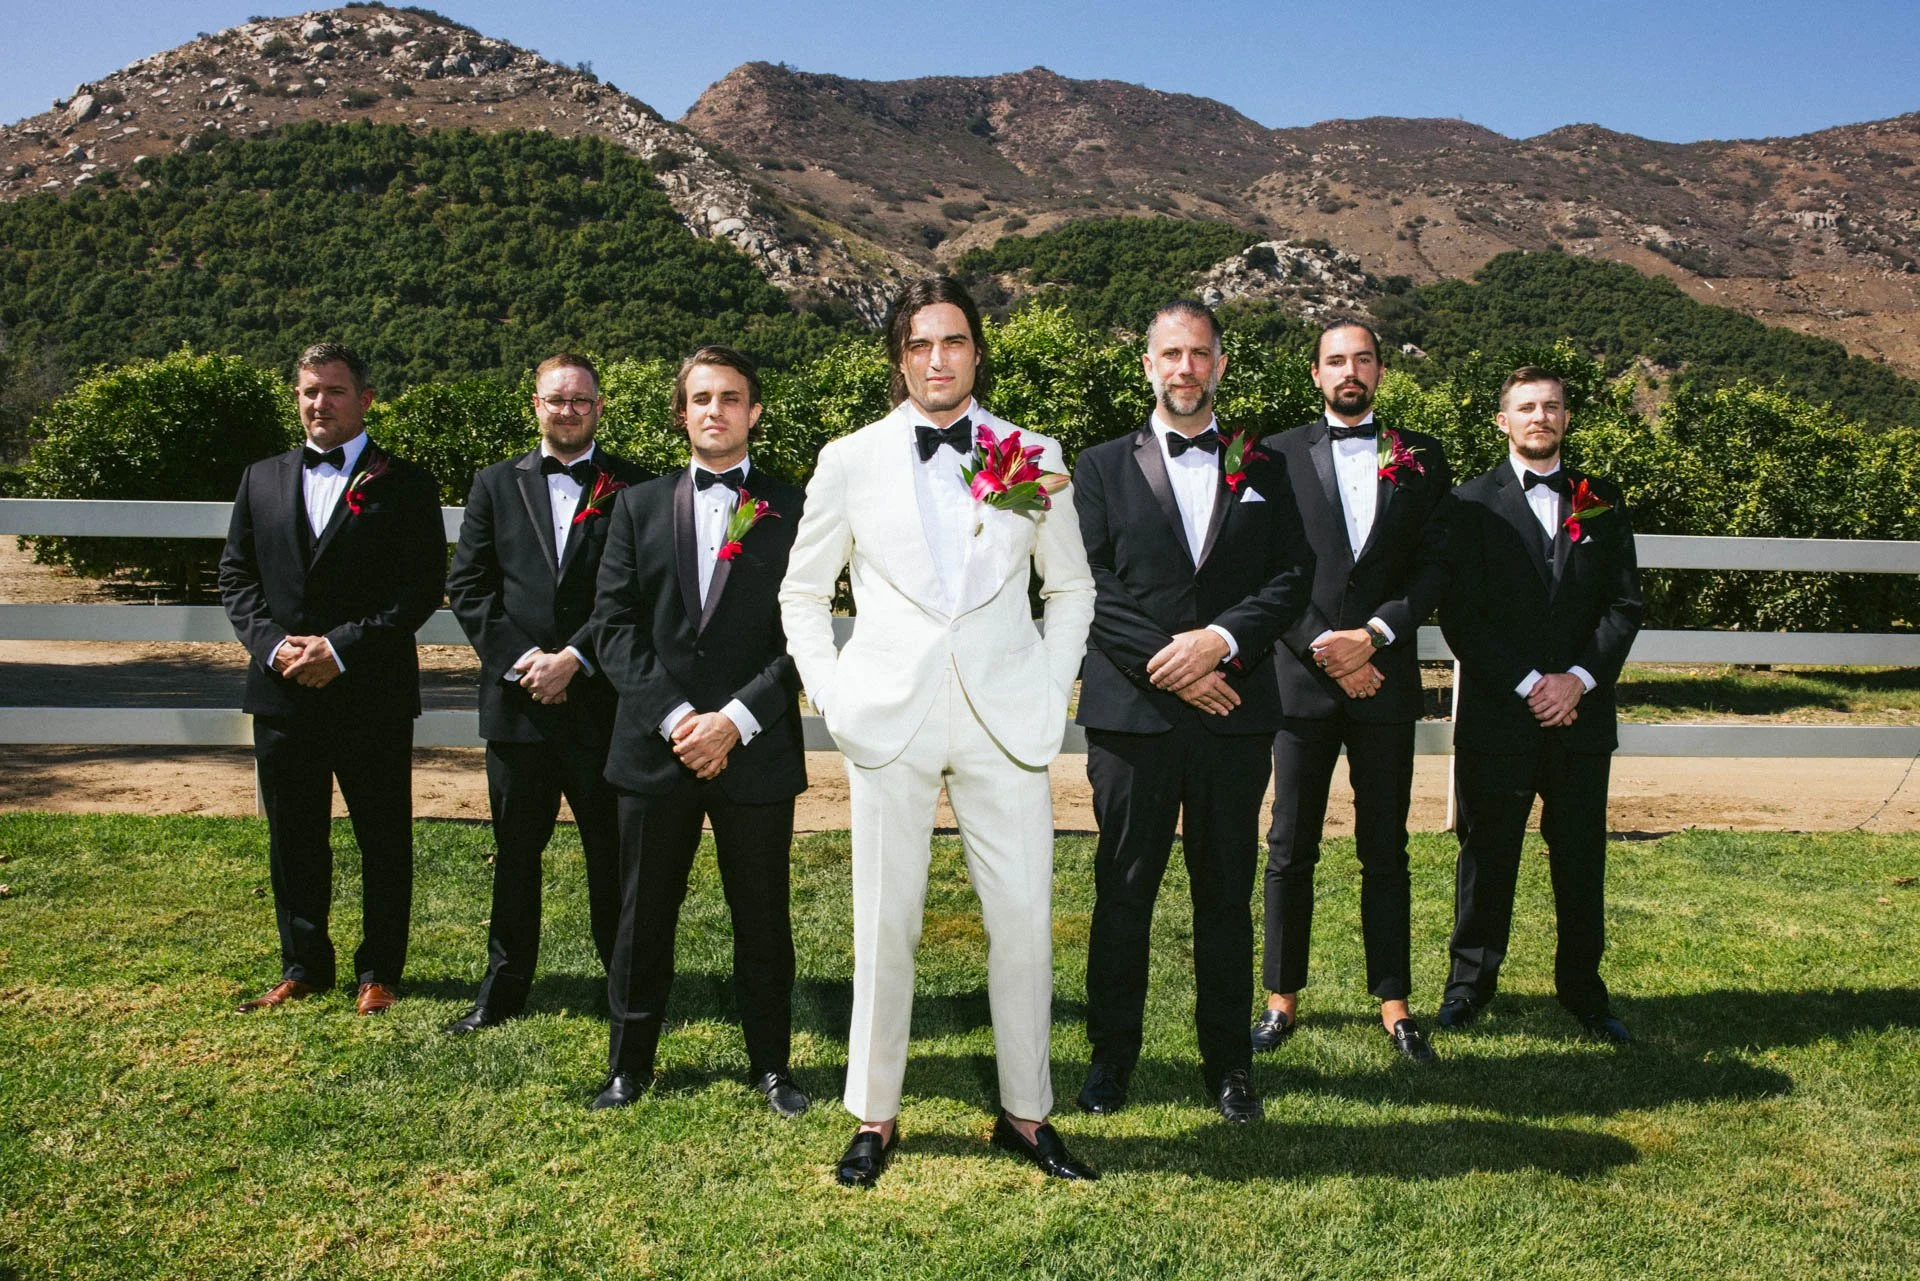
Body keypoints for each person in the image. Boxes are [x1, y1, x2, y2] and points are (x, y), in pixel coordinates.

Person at [779, 277, 1098, 1184]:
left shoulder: (1032, 452)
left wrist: (1048, 678)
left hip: (1007, 718)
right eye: (919, 344)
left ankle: (1027, 1113)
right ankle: (876, 1114)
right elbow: (803, 592)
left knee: (1025, 920)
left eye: (952, 341)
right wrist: (834, 696)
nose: (936, 358)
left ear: (976, 351)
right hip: (889, 718)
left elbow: (1072, 587)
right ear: (899, 356)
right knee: (887, 923)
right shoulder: (849, 459)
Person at [1071, 299, 1315, 1124]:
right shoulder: (1099, 467)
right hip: (1134, 718)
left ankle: (1229, 1064)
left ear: (1220, 363)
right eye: (1171, 354)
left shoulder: (1265, 467)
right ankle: (1111, 1059)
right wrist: (1172, 667)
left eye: (1200, 354)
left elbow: (1292, 578)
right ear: (1147, 364)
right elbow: (1088, 586)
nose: (1186, 368)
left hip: (1234, 714)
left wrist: (1218, 641)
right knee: (1123, 890)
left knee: (1225, 892)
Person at [589, 346, 811, 1116]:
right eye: (701, 397)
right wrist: (681, 719)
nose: (715, 409)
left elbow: (805, 636)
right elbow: (614, 628)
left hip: (755, 748)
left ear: (754, 411)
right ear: (681, 412)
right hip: (656, 747)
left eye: (732, 397)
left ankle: (773, 1066)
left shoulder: (798, 508)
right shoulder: (636, 506)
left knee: (763, 916)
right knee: (641, 915)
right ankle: (628, 1066)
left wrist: (735, 720)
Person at [220, 342, 445, 1016]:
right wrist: (273, 647)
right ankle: (303, 963)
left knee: (383, 835)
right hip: (282, 690)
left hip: (369, 690)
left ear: (365, 399)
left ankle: (379, 969)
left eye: (335, 391)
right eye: (310, 391)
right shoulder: (260, 478)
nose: (321, 403)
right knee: (293, 835)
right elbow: (236, 576)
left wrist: (340, 648)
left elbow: (420, 588)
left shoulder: (406, 483)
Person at [1253, 321, 1453, 1064]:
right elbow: (1267, 566)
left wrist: (1374, 635)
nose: (1350, 370)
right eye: (1336, 359)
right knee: (1288, 845)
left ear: (1379, 372)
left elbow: (1434, 565)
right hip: (1300, 682)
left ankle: (1395, 1003)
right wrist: (1323, 646)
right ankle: (1280, 998)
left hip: (1384, 679)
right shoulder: (1273, 454)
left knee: (1386, 848)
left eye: (1363, 358)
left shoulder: (1423, 457)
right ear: (1315, 373)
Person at [442, 353, 652, 1035]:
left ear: (599, 407)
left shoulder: (634, 486)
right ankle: (502, 988)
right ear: (535, 404)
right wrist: (528, 661)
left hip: (601, 708)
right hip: (518, 704)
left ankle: (625, 988)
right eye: (556, 399)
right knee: (515, 856)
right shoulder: (493, 485)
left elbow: (635, 594)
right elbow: (470, 586)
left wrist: (576, 659)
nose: (568, 410)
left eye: (581, 401)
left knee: (611, 857)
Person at [1437, 366, 1643, 1042]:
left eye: (1552, 406)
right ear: (1503, 421)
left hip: (1580, 716)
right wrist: (1531, 683)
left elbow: (1623, 603)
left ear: (1567, 418)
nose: (1540, 417)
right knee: (1486, 853)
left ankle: (1583, 989)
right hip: (1502, 712)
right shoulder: (1468, 503)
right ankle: (1469, 985)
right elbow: (1461, 616)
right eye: (1526, 407)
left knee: (1581, 856)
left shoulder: (1601, 499)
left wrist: (1578, 679)